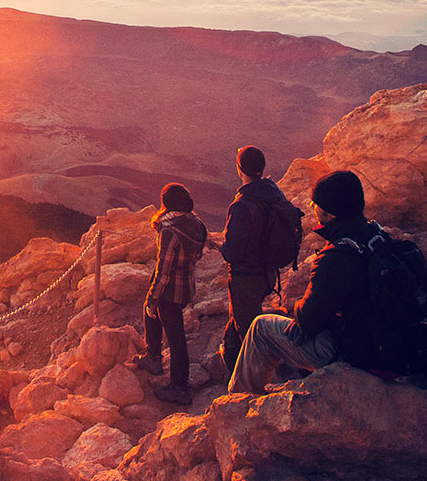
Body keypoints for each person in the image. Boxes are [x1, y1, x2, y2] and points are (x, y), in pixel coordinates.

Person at [228, 169, 382, 394]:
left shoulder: (336, 257)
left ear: (330, 214)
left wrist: (299, 306)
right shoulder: (378, 238)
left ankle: (239, 401)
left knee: (261, 326)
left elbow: (308, 319)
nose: (314, 209)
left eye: (316, 205)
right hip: (386, 344)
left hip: (355, 354)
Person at [216, 145, 299, 379]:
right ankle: (232, 361)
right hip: (269, 272)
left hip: (247, 277)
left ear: (239, 168)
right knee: (240, 323)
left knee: (249, 332)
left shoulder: (242, 205)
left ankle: (260, 382)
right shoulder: (273, 194)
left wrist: (218, 245)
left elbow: (232, 252)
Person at [132, 182, 207, 406]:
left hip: (171, 290)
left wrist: (153, 299)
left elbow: (164, 272)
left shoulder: (170, 231)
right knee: (154, 315)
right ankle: (152, 356)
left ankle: (179, 387)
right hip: (186, 285)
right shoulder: (196, 223)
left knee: (175, 337)